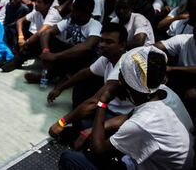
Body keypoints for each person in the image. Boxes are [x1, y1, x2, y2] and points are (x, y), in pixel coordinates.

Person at [59, 46, 194, 169]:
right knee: (87, 126)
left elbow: (98, 152)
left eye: (121, 74)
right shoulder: (162, 91)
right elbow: (129, 116)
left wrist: (102, 103)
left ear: (126, 84)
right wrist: (92, 129)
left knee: (69, 159)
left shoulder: (144, 121)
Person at [48, 23, 130, 130]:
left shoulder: (124, 64)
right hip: (107, 107)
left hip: (122, 115)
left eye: (109, 42)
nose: (102, 45)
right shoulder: (107, 58)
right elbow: (85, 73)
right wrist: (60, 88)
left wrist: (61, 123)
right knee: (83, 82)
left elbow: (94, 102)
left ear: (122, 45)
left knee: (78, 129)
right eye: (102, 40)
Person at [38, 0, 101, 82]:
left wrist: (55, 56)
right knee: (50, 40)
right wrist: (46, 52)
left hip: (82, 60)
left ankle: (53, 75)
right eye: (73, 10)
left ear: (87, 13)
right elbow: (46, 33)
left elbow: (86, 47)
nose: (73, 14)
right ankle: (49, 74)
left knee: (83, 52)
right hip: (67, 55)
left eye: (77, 12)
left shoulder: (95, 25)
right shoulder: (71, 20)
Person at [2, 0, 61, 72]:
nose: (35, 4)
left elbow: (40, 33)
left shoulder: (53, 14)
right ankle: (15, 54)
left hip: (54, 46)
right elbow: (20, 21)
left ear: (48, 4)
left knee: (37, 38)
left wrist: (25, 43)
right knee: (14, 28)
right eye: (35, 0)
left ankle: (18, 59)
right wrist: (21, 37)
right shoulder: (37, 11)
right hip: (40, 43)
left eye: (39, 2)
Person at [156, 25, 196, 118]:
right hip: (183, 79)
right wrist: (162, 68)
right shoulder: (185, 40)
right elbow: (157, 46)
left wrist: (172, 68)